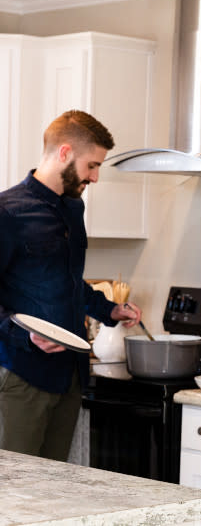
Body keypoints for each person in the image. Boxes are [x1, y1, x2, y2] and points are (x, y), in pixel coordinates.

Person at [0, 109, 142, 461]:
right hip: (20, 377)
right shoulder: (8, 212)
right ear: (64, 153)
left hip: (71, 378)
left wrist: (109, 309)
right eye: (91, 165)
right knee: (11, 494)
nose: (95, 177)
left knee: (52, 495)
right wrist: (23, 335)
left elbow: (65, 280)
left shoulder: (73, 208)